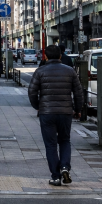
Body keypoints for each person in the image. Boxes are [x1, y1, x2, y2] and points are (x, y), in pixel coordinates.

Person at [28, 45, 84, 186]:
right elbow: (78, 92)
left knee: (51, 144)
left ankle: (55, 176)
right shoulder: (70, 71)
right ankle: (65, 166)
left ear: (46, 56)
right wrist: (77, 109)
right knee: (65, 140)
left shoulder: (40, 71)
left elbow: (32, 92)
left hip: (47, 113)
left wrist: (38, 106)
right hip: (65, 112)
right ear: (60, 56)